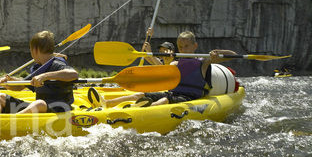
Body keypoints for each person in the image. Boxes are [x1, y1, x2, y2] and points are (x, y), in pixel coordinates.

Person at [100, 31, 237, 108]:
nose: (183, 49)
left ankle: (140, 111)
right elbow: (159, 68)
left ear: (195, 46)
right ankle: (107, 103)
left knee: (165, 101)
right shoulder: (176, 63)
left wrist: (217, 52)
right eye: (181, 46)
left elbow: (233, 56)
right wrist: (147, 51)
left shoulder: (204, 62)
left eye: (187, 46)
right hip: (172, 94)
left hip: (189, 97)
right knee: (140, 94)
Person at [0, 30, 78, 114]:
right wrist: (7, 82)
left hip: (58, 109)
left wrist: (45, 76)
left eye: (30, 49)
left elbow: (73, 74)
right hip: (40, 108)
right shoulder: (38, 68)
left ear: (35, 50)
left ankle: (9, 122)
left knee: (39, 104)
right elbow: (20, 86)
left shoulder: (57, 63)